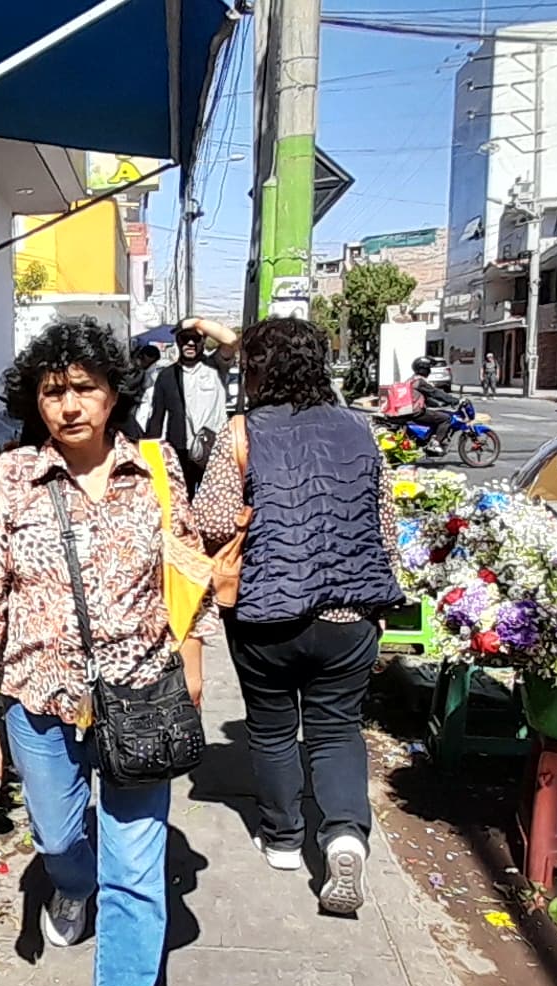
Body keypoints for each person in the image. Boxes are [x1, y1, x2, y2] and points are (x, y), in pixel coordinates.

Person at [0, 315, 216, 986]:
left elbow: (190, 573)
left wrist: (195, 665)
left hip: (141, 694)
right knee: (60, 836)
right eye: (51, 391)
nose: (68, 406)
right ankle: (71, 885)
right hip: (39, 699)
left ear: (112, 393)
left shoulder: (159, 470)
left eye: (83, 388)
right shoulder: (8, 479)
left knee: (136, 876)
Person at [187, 317, 404, 916]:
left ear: (260, 370)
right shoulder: (362, 429)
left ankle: (283, 838)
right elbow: (385, 526)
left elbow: (209, 522)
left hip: (266, 614)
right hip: (350, 614)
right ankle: (342, 836)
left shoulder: (243, 433)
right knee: (336, 728)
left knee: (273, 727)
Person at [145, 320, 232, 486]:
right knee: (182, 505)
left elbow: (231, 340)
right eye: (185, 338)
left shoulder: (216, 366)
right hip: (179, 453)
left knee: (213, 506)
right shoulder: (166, 375)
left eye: (196, 339)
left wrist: (197, 322)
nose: (190, 343)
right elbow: (156, 420)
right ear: (177, 340)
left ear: (204, 341)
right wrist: (150, 460)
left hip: (214, 451)